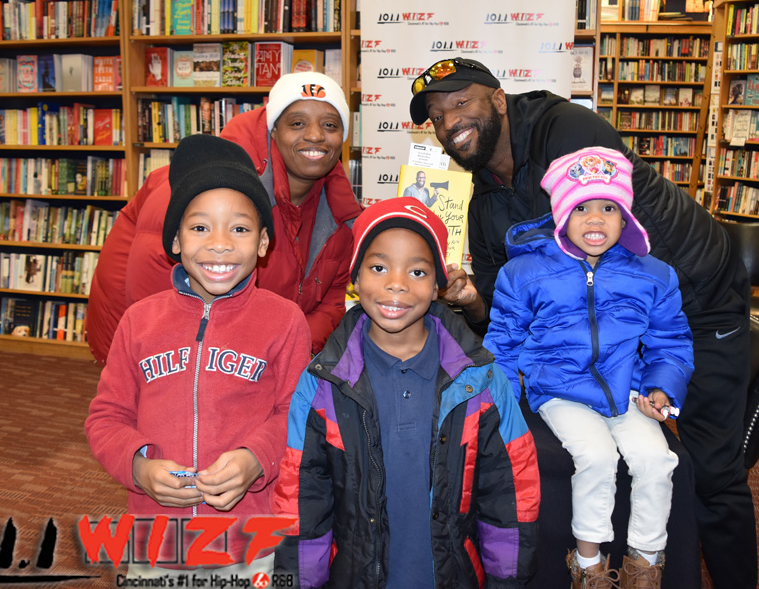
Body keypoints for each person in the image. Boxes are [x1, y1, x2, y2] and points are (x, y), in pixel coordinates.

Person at [409, 57, 756, 588]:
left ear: (499, 99)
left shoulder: (567, 131)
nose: (448, 120)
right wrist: (471, 299)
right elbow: (513, 307)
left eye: (461, 102)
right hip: (607, 338)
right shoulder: (482, 197)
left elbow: (609, 257)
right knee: (598, 455)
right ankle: (600, 565)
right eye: (435, 115)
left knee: (708, 470)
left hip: (693, 305)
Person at [270, 197, 541, 588]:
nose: (396, 283)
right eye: (379, 267)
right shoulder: (321, 384)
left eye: (416, 271)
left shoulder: (482, 380)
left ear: (437, 287)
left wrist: (508, 579)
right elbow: (302, 497)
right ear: (356, 279)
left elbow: (510, 490)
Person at [85, 134, 311, 576]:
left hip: (249, 539)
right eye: (200, 227)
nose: (220, 244)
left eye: (240, 229)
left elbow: (296, 414)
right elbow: (106, 417)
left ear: (264, 243)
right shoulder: (138, 320)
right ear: (174, 241)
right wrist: (139, 467)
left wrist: (254, 459)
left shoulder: (285, 321)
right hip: (155, 539)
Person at [484, 148, 694, 588]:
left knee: (658, 459)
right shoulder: (524, 273)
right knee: (596, 457)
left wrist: (662, 388)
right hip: (559, 390)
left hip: (627, 390)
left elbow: (670, 342)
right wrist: (499, 406)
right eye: (581, 207)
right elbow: (501, 344)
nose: (595, 219)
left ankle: (645, 562)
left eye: (608, 208)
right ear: (561, 215)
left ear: (626, 218)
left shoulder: (654, 275)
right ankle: (588, 564)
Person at [87, 71, 361, 362]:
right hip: (150, 350)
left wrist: (290, 348)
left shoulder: (339, 210)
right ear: (274, 130)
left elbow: (332, 297)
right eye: (297, 123)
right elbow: (155, 306)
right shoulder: (197, 188)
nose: (316, 135)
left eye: (330, 125)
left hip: (254, 355)